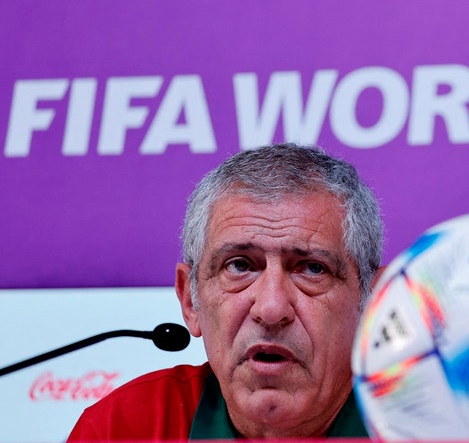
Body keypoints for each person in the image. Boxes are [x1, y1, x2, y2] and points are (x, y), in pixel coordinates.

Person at [68, 143, 384, 440]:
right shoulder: (122, 428)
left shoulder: (413, 424)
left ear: (375, 304)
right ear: (190, 301)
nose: (271, 309)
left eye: (312, 269)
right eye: (239, 266)